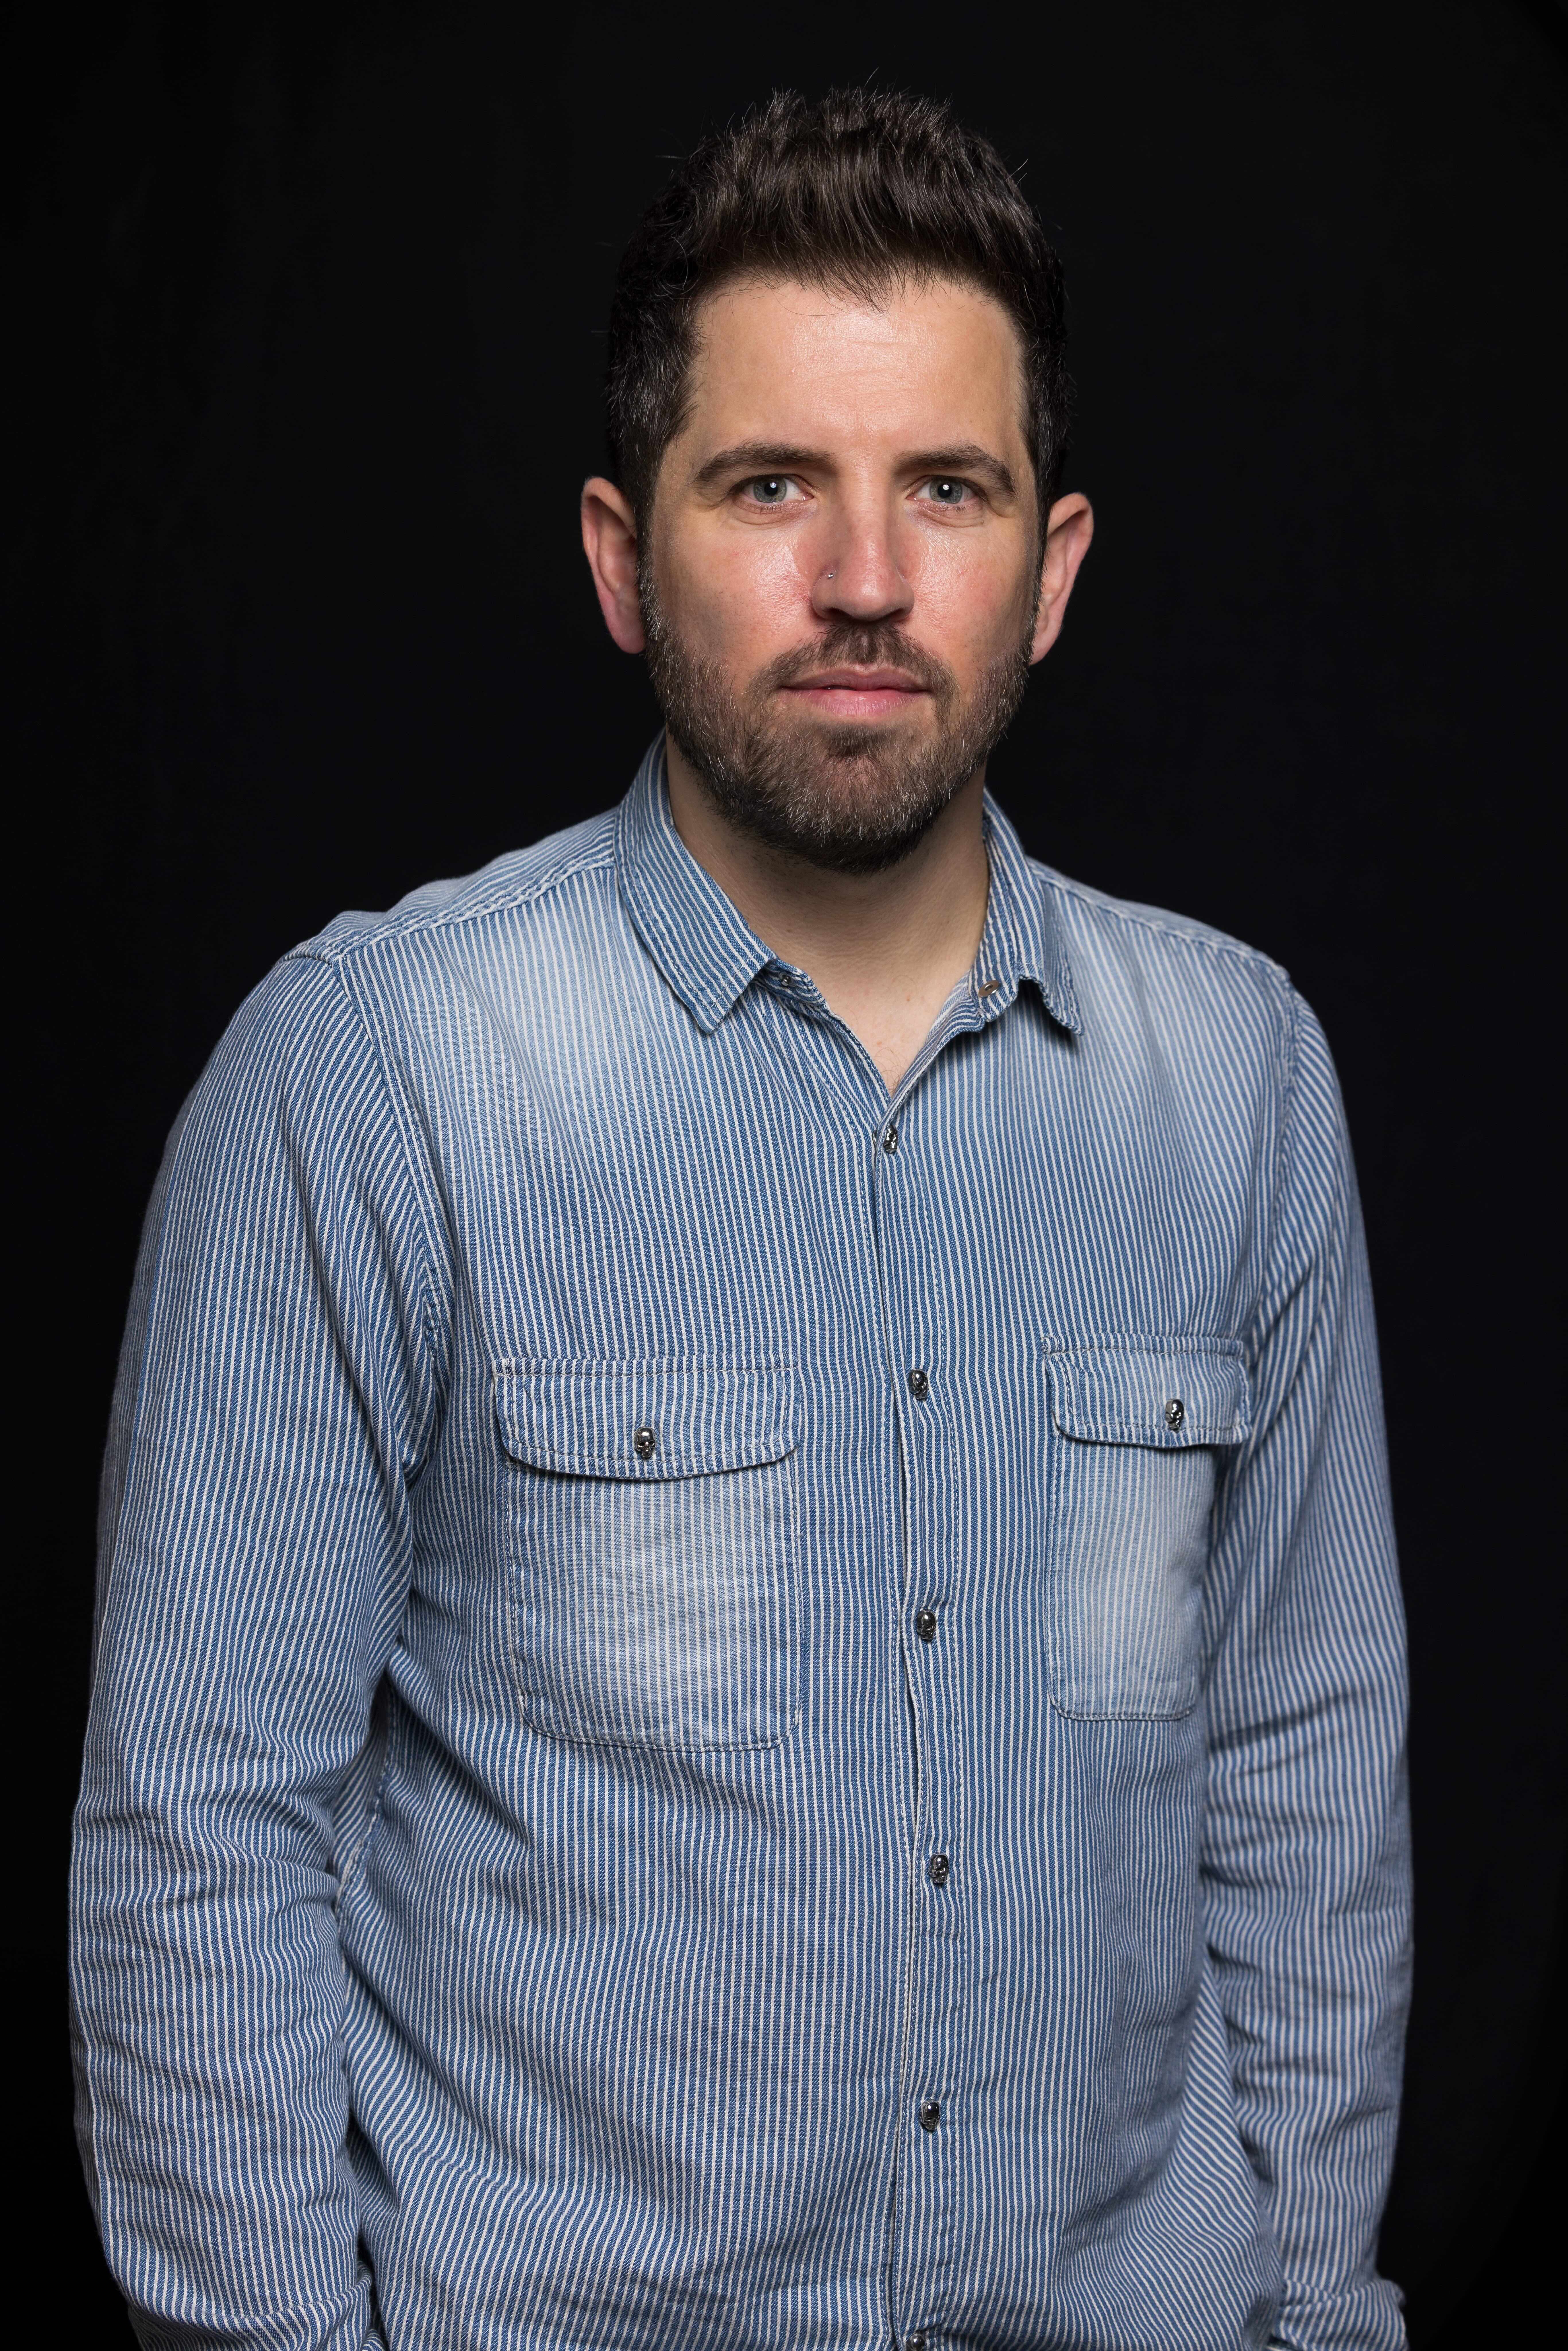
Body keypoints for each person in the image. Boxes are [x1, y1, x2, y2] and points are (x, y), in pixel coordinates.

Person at [71, 86, 1411, 2351]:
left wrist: (1301, 2315)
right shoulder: (373, 1072)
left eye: (946, 491)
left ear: (1051, 567)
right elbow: (201, 1843)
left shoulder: (1241, 1077)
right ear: (620, 555)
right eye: (769, 483)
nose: (865, 578)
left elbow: (1298, 1781)